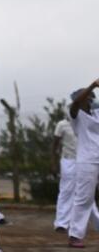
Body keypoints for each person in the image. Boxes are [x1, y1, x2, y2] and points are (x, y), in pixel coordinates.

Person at [53, 101, 99, 235]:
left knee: (85, 194)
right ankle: (62, 223)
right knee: (68, 191)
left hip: (88, 159)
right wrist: (53, 161)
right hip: (70, 160)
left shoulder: (92, 122)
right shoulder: (64, 124)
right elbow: (55, 143)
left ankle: (95, 222)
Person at [67, 80, 99, 248]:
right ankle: (75, 235)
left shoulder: (96, 114)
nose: (91, 99)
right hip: (87, 161)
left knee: (89, 199)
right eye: (88, 97)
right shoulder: (75, 115)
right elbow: (76, 102)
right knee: (84, 198)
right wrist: (93, 85)